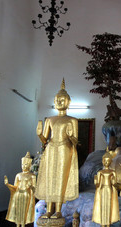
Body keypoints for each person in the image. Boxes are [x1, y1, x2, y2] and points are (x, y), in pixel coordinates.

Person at [35, 79, 79, 218]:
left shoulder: (72, 120)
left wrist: (71, 136)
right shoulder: (49, 119)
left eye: (62, 99)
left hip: (65, 148)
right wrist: (40, 134)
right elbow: (45, 140)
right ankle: (49, 209)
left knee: (60, 177)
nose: (59, 101)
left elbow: (75, 141)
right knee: (50, 177)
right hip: (51, 148)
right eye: (57, 99)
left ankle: (58, 210)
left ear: (68, 102)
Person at [4, 152, 36, 227]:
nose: (23, 166)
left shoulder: (32, 176)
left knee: (24, 210)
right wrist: (7, 184)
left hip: (26, 194)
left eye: (25, 164)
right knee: (17, 210)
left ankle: (23, 226)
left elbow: (35, 188)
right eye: (22, 164)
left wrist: (31, 186)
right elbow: (15, 187)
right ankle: (17, 226)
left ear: (29, 165)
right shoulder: (18, 175)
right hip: (18, 193)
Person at [92, 150, 120, 227]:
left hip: (109, 190)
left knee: (109, 208)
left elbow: (115, 184)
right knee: (102, 208)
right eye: (105, 160)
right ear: (102, 161)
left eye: (108, 161)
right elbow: (97, 184)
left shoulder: (113, 172)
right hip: (102, 190)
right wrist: (95, 180)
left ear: (111, 162)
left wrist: (113, 180)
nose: (106, 162)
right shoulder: (100, 172)